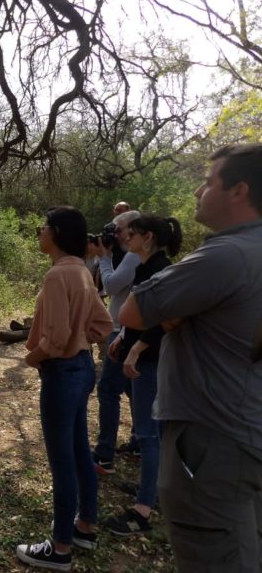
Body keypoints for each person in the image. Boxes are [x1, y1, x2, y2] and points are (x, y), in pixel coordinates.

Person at [119, 144, 262, 572]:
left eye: (209, 180)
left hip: (213, 441)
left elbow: (132, 310)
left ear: (238, 190)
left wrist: (174, 312)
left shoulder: (226, 255)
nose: (199, 190)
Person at [16, 206, 113, 571]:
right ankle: (85, 526)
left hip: (61, 373)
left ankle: (59, 549)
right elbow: (104, 324)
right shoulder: (82, 271)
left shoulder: (58, 275)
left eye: (42, 227)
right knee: (79, 452)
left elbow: (54, 340)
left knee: (62, 463)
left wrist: (34, 358)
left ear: (55, 232)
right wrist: (79, 340)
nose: (39, 233)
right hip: (83, 368)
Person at [102, 214, 181, 536]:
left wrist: (136, 349)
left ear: (147, 237)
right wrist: (124, 337)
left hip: (150, 363)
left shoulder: (161, 270)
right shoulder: (148, 267)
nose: (126, 238)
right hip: (146, 357)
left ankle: (142, 512)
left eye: (131, 234)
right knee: (155, 434)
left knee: (148, 435)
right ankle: (154, 492)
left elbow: (169, 320)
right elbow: (143, 316)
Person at [87, 210, 142, 474]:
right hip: (130, 329)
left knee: (108, 390)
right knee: (134, 390)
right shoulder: (133, 255)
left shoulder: (133, 256)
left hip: (123, 330)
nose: (114, 234)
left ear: (134, 229)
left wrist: (104, 257)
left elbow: (109, 286)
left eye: (118, 229)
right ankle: (139, 441)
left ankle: (104, 455)